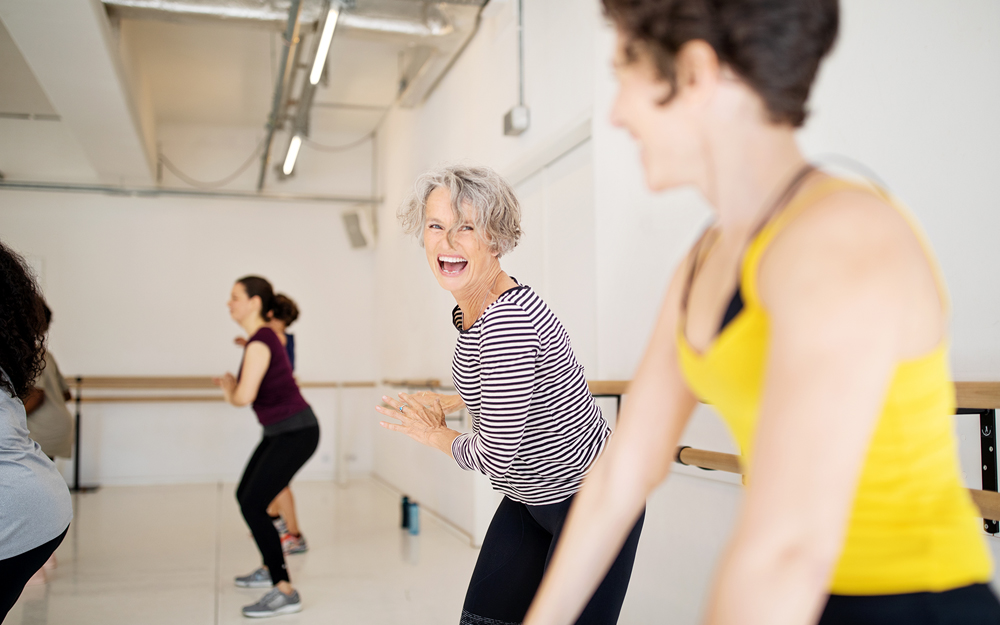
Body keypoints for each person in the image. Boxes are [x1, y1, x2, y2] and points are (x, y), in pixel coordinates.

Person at [522, 2, 1000, 624]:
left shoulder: (840, 239)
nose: (615, 112)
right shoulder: (706, 257)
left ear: (694, 73)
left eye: (625, 73)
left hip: (910, 607)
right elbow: (621, 476)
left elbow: (786, 549)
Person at [376, 165, 645, 625]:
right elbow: (528, 374)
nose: (447, 242)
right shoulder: (477, 309)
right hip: (531, 497)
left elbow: (496, 455)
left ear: (496, 238)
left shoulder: (507, 323)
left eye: (467, 227)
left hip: (596, 500)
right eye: (436, 226)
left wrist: (434, 434)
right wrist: (457, 399)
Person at [214, 276, 319, 618]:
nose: (229, 304)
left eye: (235, 297)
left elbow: (243, 397)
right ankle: (269, 563)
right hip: (280, 432)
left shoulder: (260, 342)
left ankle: (284, 589)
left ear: (255, 302)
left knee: (253, 503)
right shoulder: (260, 340)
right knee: (247, 496)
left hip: (296, 432)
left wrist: (230, 387)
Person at [0, 240, 73, 620]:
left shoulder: (23, 353)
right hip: (54, 437)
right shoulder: (35, 354)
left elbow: (41, 394)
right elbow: (67, 391)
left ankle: (42, 564)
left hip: (42, 434)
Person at [235, 293, 307, 555]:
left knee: (279, 483)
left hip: (288, 422)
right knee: (273, 482)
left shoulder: (272, 338)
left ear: (271, 315)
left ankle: (294, 534)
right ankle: (275, 524)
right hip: (278, 422)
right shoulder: (278, 339)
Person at [26, 303, 75, 461]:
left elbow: (37, 396)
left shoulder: (31, 355)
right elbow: (66, 394)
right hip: (57, 423)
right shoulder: (45, 355)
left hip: (43, 428)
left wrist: (11, 414)